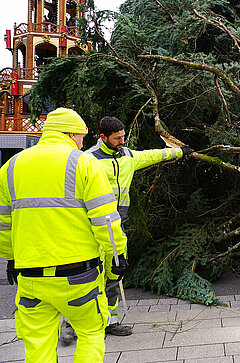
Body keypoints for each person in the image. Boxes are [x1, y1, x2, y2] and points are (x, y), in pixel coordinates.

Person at [0, 107, 127, 362]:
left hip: (30, 276)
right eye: (81, 136)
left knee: (38, 345)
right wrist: (117, 258)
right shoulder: (84, 163)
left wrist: (11, 259)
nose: (82, 142)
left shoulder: (11, 167)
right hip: (79, 275)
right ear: (70, 133)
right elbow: (106, 221)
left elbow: (5, 225)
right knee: (91, 332)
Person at [60, 116, 193, 341]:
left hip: (116, 227)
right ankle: (70, 323)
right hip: (89, 229)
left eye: (123, 136)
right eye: (117, 138)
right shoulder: (87, 160)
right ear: (103, 137)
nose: (122, 141)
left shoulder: (128, 156)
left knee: (114, 273)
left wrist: (179, 152)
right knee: (87, 276)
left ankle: (110, 320)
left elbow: (152, 155)